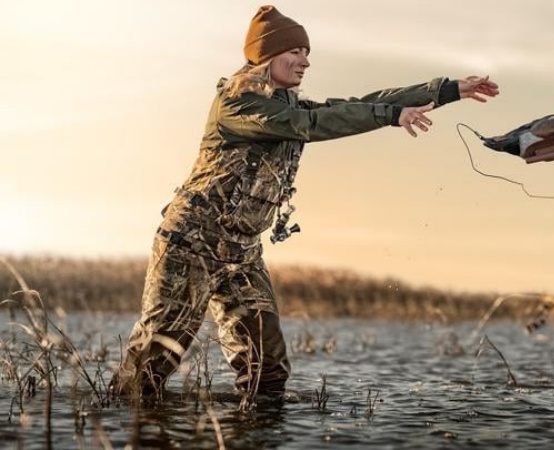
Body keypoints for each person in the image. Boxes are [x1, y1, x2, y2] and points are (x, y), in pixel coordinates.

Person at [111, 5, 500, 401]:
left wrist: (447, 91)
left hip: (241, 253)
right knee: (150, 367)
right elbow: (310, 125)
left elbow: (354, 104)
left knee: (267, 374)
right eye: (295, 51)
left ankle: (249, 429)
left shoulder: (288, 106)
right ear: (266, 55)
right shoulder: (238, 104)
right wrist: (391, 115)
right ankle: (119, 421)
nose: (305, 61)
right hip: (192, 244)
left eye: (306, 52)